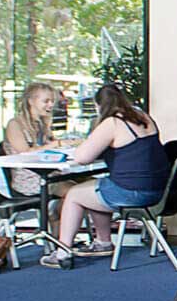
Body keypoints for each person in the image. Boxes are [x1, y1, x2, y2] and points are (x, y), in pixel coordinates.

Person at [41, 84, 166, 269]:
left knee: (74, 194)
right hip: (157, 190)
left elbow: (82, 157)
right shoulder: (144, 118)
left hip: (131, 192)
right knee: (94, 188)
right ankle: (103, 242)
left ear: (99, 105)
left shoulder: (113, 123)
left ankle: (62, 251)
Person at [0, 81, 64, 198]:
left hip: (50, 175)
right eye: (46, 101)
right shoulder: (15, 124)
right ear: (31, 101)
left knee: (85, 185)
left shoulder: (42, 125)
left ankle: (57, 214)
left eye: (52, 101)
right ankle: (55, 214)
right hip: (29, 180)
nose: (50, 105)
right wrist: (56, 144)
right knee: (74, 192)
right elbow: (25, 152)